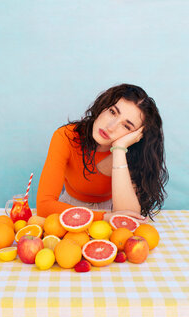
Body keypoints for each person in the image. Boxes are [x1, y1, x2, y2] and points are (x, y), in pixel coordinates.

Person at [36, 83, 169, 222]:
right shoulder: (66, 136)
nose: (110, 127)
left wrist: (119, 149)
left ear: (136, 136)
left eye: (126, 126)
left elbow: (127, 217)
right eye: (112, 112)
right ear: (103, 107)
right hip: (67, 209)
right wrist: (102, 217)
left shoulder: (133, 152)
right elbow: (44, 206)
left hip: (111, 211)